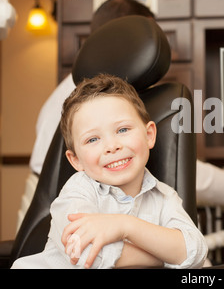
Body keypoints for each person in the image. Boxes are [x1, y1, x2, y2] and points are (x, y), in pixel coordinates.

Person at [22, 0, 224, 232]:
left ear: (150, 133)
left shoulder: (113, 98)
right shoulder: (83, 105)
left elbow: (174, 169)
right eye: (145, 35)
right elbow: (180, 169)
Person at [12, 74, 207, 269]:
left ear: (149, 135)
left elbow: (195, 252)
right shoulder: (78, 191)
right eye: (93, 139)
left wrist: (124, 226)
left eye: (122, 130)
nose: (112, 146)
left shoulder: (165, 197)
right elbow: (86, 255)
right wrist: (165, 256)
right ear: (76, 160)